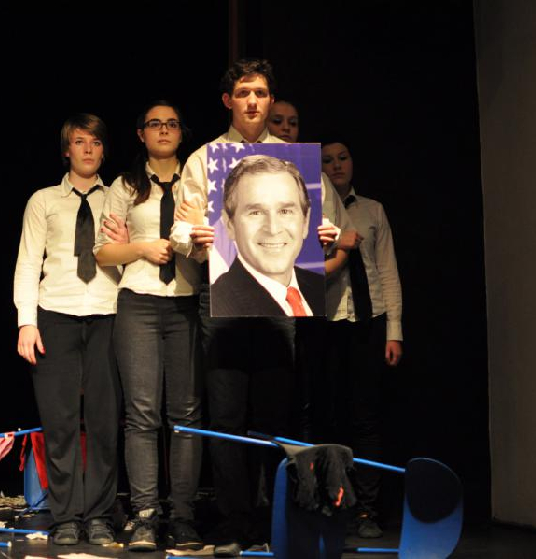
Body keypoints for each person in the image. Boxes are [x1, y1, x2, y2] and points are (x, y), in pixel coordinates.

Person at [171, 58, 354, 555]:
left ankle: (271, 520)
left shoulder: (297, 159)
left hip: (281, 302)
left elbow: (328, 225)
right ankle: (234, 521)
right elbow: (180, 230)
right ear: (228, 101)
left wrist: (323, 236)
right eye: (243, 92)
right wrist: (195, 237)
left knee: (275, 415)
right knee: (226, 416)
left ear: (271, 100)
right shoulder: (204, 159)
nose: (252, 101)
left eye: (261, 93)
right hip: (223, 296)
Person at [94, 101, 203, 551]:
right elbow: (103, 251)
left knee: (186, 415)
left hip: (186, 303)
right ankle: (144, 516)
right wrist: (142, 247)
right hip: (138, 302)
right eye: (154, 124)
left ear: (181, 132)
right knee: (142, 415)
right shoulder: (125, 185)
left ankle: (184, 516)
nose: (163, 130)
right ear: (141, 133)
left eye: (171, 124)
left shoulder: (197, 181)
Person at [13, 114, 122, 546]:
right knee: (59, 423)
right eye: (80, 141)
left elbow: (128, 257)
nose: (88, 149)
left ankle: (99, 515)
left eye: (96, 142)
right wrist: (26, 321)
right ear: (66, 150)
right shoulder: (43, 200)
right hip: (55, 313)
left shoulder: (118, 196)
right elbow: (28, 261)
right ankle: (65, 517)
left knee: (104, 421)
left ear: (104, 150)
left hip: (107, 312)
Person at [319, 141, 403, 538]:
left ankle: (368, 510)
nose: (336, 166)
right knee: (328, 415)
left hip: (369, 321)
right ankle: (332, 505)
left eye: (343, 158)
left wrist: (394, 330)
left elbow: (387, 270)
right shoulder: (310, 211)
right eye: (327, 160)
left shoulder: (372, 210)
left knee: (365, 417)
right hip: (327, 320)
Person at [211, 155, 324, 317]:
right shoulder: (220, 303)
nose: (273, 229)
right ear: (230, 225)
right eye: (256, 212)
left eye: (285, 211)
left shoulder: (320, 287)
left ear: (305, 222)